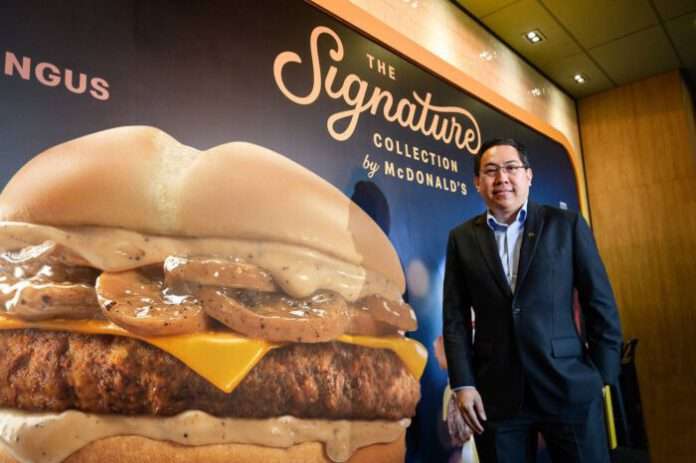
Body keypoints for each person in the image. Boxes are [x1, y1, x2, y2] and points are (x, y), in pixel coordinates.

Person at [442, 138, 622, 462]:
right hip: (496, 395)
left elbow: (599, 301)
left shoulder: (566, 225)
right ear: (477, 182)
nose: (502, 178)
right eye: (491, 171)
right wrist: (463, 384)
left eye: (511, 168)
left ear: (528, 175)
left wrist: (603, 375)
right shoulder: (461, 238)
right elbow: (454, 318)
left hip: (568, 386)